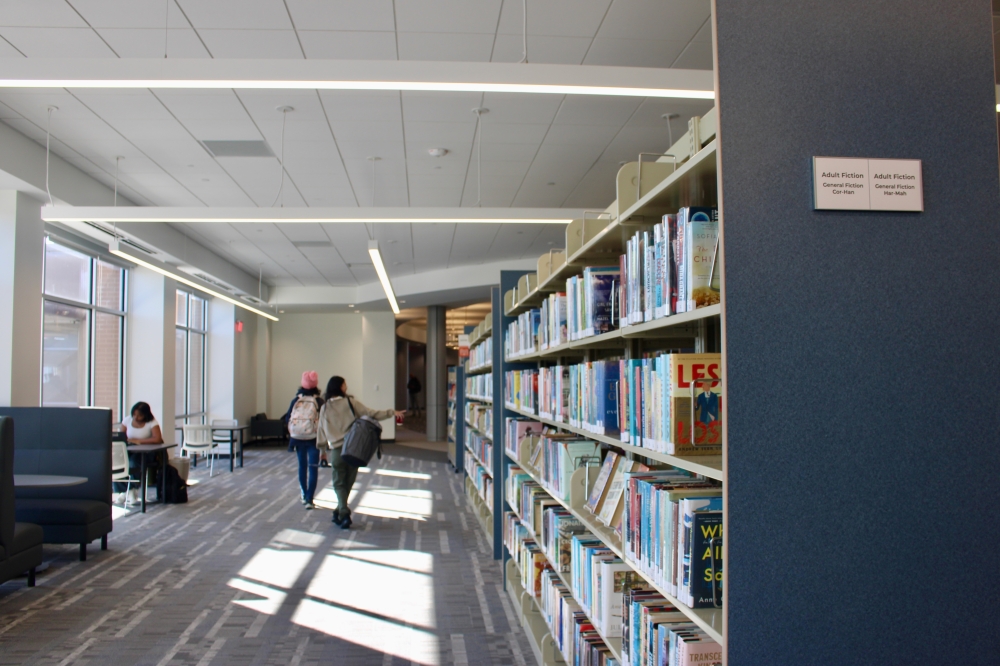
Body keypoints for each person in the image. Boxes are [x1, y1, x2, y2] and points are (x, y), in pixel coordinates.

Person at [317, 375, 404, 529]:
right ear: (340, 387)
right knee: (348, 482)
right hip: (353, 448)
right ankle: (342, 511)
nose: (347, 386)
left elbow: (321, 431)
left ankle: (341, 511)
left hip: (337, 450)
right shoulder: (350, 402)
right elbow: (371, 413)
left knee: (338, 482)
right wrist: (391, 412)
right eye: (345, 384)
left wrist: (322, 450)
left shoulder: (325, 408)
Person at [282, 371, 323, 509]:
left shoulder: (296, 400)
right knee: (313, 468)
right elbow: (323, 422)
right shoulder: (319, 401)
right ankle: (310, 498)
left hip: (298, 437)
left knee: (302, 466)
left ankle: (304, 494)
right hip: (313, 438)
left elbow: (288, 418)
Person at [115, 401, 163, 506]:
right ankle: (126, 490)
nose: (136, 417)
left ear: (146, 415)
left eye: (140, 415)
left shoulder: (152, 422)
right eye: (134, 414)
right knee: (116, 462)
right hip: (130, 449)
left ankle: (132, 488)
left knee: (133, 462)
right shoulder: (127, 420)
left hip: (146, 452)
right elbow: (121, 436)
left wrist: (139, 441)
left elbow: (158, 439)